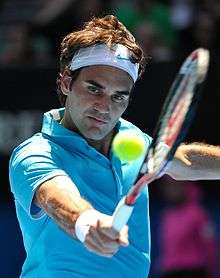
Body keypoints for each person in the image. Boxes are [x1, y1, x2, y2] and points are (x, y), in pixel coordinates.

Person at [9, 15, 220, 278]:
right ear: (66, 82)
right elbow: (56, 198)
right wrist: (87, 223)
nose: (105, 107)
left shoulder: (131, 139)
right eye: (94, 89)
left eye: (118, 97)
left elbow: (182, 160)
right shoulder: (34, 153)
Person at [157, 177, 218, 278]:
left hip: (193, 272)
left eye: (175, 185)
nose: (171, 190)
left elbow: (209, 246)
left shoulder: (198, 214)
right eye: (168, 186)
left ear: (185, 186)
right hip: (171, 273)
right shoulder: (166, 215)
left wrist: (211, 271)